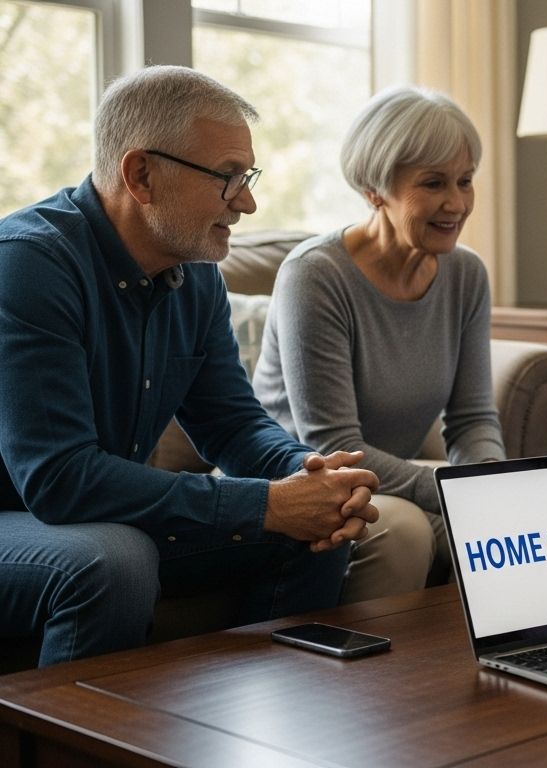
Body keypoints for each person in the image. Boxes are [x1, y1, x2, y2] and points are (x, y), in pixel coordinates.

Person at [0, 65, 379, 667]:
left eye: (247, 176)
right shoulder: (29, 264)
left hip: (86, 517)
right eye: (228, 178)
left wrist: (309, 478)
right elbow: (59, 480)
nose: (248, 201)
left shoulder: (196, 271)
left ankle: (273, 736)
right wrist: (267, 504)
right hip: (17, 517)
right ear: (141, 175)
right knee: (113, 560)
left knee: (310, 538)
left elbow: (230, 423)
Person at [255, 86, 504, 604]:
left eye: (465, 181)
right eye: (433, 183)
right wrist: (460, 493)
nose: (456, 203)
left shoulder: (466, 274)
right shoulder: (315, 276)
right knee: (408, 530)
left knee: (510, 528)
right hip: (298, 481)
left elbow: (474, 418)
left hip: (385, 477)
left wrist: (489, 485)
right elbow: (332, 445)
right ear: (374, 189)